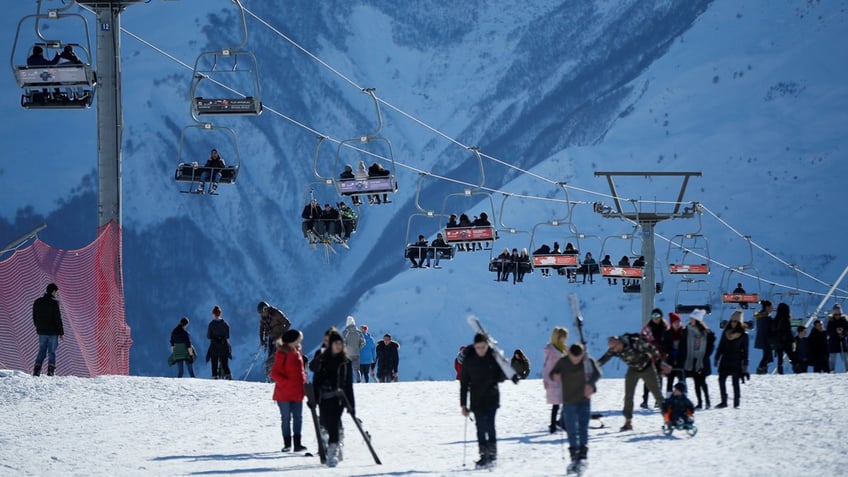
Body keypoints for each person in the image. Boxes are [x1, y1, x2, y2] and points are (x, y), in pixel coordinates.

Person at [597, 333, 670, 431]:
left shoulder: (635, 343)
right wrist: (594, 366)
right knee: (628, 395)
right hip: (633, 369)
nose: (612, 350)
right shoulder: (615, 349)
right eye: (611, 348)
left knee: (657, 395)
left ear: (619, 343)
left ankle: (668, 420)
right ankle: (628, 422)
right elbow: (604, 358)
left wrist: (661, 363)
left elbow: (652, 349)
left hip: (647, 368)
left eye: (613, 348)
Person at [550, 343, 601, 474]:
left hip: (584, 400)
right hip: (568, 401)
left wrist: (590, 385)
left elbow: (597, 373)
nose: (576, 361)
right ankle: (574, 458)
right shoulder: (563, 362)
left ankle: (583, 457)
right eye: (573, 358)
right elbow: (552, 373)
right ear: (569, 354)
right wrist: (555, 376)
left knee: (583, 428)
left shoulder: (587, 361)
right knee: (571, 429)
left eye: (578, 358)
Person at [460, 333, 506, 469]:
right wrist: (463, 404)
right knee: (480, 427)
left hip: (492, 398)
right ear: (474, 346)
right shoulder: (469, 360)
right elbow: (464, 383)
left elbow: (501, 378)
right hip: (476, 400)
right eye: (478, 347)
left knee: (490, 425)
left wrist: (503, 366)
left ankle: (492, 453)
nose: (481, 350)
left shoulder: (493, 357)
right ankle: (483, 454)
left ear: (487, 345)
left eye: (483, 347)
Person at [312, 331, 355, 468]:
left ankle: (333, 452)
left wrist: (351, 405)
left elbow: (348, 385)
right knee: (324, 422)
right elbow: (316, 379)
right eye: (336, 343)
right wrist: (313, 397)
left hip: (339, 398)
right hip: (324, 397)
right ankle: (334, 447)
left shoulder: (345, 362)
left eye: (340, 343)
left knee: (334, 423)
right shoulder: (323, 359)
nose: (339, 346)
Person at [270, 329, 308, 453]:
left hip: (296, 391)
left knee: (298, 418)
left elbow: (300, 371)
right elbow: (275, 373)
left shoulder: (297, 351)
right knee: (286, 418)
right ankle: (287, 444)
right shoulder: (282, 353)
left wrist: (303, 385)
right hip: (284, 393)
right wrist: (286, 383)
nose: (300, 341)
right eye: (298, 338)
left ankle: (297, 444)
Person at [714, 310, 749, 408]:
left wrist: (745, 365)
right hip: (725, 359)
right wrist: (717, 357)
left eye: (736, 321)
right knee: (721, 379)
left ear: (739, 323)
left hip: (736, 360)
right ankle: (723, 400)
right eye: (732, 321)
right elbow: (721, 346)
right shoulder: (726, 332)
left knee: (735, 382)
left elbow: (746, 352)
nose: (733, 323)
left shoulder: (743, 335)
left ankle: (736, 402)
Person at [682, 309, 716, 409]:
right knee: (696, 382)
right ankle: (700, 402)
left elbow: (710, 346)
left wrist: (705, 356)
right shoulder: (687, 330)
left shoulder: (706, 333)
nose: (690, 320)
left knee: (702, 382)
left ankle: (707, 400)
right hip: (692, 360)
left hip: (702, 361)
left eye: (692, 318)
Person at [32, 283, 64, 377]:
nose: (57, 294)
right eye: (56, 292)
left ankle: (36, 370)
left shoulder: (37, 301)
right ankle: (50, 371)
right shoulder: (55, 303)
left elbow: (34, 317)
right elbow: (58, 319)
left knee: (41, 350)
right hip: (53, 332)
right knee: (52, 352)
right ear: (53, 291)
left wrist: (38, 327)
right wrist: (61, 332)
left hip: (41, 332)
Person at [639, 309, 668, 409]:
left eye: (657, 315)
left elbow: (668, 341)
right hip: (649, 356)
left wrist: (661, 346)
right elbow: (642, 341)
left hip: (660, 356)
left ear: (661, 317)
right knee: (648, 378)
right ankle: (645, 400)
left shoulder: (665, 328)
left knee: (659, 378)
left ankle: (657, 400)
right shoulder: (647, 328)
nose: (656, 318)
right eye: (654, 315)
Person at [542, 327, 568, 433]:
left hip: (563, 379)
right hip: (555, 380)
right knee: (556, 404)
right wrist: (547, 379)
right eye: (564, 337)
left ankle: (560, 422)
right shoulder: (552, 351)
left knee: (563, 402)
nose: (565, 339)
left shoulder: (563, 348)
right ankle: (554, 425)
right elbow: (547, 367)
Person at [258, 301, 292, 375]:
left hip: (280, 338)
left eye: (263, 311)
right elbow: (261, 329)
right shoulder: (263, 318)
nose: (263, 314)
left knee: (278, 356)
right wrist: (262, 340)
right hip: (271, 338)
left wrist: (282, 334)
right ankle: (272, 374)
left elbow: (287, 323)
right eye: (261, 313)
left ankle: (280, 373)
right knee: (271, 356)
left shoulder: (276, 314)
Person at [662, 312, 687, 396]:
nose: (677, 324)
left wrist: (682, 355)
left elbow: (687, 347)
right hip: (671, 361)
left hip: (681, 360)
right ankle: (669, 398)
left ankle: (684, 397)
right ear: (671, 323)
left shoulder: (684, 332)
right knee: (670, 380)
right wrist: (671, 351)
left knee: (682, 380)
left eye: (678, 322)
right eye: (675, 322)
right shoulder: (667, 333)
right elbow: (664, 347)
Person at [206, 305, 231, 379]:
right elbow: (228, 336)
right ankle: (229, 377)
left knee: (214, 363)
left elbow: (209, 336)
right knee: (225, 364)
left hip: (214, 347)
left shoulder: (211, 324)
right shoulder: (225, 324)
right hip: (224, 346)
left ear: (213, 314)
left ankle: (215, 377)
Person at [770, 302, 795, 374]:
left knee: (780, 358)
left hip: (778, 342)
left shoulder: (775, 319)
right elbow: (788, 331)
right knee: (791, 356)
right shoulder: (786, 320)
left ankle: (780, 370)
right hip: (786, 341)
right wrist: (792, 340)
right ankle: (797, 368)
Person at [341, 316, 366, 383]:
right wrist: (358, 347)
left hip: (347, 354)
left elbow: (342, 343)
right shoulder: (358, 332)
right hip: (356, 353)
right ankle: (358, 380)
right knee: (356, 369)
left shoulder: (345, 332)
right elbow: (363, 342)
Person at [753, 300, 774, 374]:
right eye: (771, 307)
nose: (772, 308)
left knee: (766, 354)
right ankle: (761, 368)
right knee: (766, 355)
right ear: (767, 307)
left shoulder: (760, 316)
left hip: (762, 339)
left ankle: (762, 368)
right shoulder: (766, 317)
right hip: (766, 339)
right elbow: (769, 328)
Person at [826, 304, 848, 372]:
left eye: (839, 314)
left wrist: (843, 333)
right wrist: (836, 332)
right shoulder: (831, 321)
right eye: (836, 314)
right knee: (832, 357)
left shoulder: (844, 320)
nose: (837, 316)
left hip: (842, 340)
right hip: (833, 341)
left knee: (845, 356)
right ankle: (832, 370)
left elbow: (847, 330)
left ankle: (847, 369)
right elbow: (828, 332)